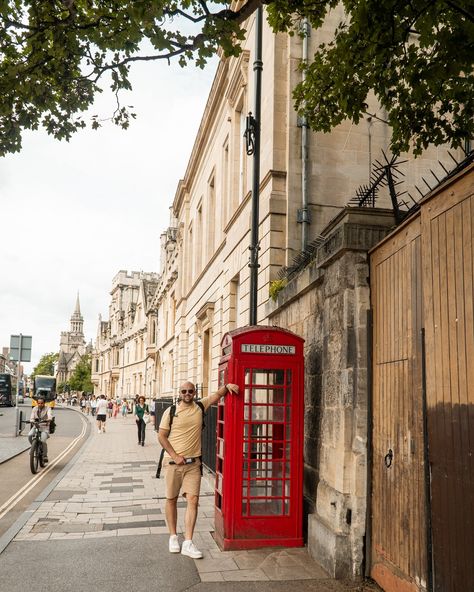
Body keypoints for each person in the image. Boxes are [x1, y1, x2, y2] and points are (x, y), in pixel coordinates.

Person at [158, 381, 239, 559]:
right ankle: (173, 536)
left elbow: (217, 395)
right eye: (184, 391)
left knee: (193, 500)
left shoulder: (200, 406)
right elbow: (161, 436)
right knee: (171, 499)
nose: (187, 393)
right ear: (179, 393)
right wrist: (174, 455)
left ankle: (188, 542)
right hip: (173, 463)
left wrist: (228, 387)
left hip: (193, 464)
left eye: (190, 391)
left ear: (194, 392)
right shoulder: (170, 412)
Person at [28, 398, 53, 463]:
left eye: (42, 403)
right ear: (37, 403)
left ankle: (45, 455)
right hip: (36, 425)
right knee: (30, 435)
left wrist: (49, 418)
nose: (40, 404)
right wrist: (32, 420)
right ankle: (33, 447)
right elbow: (32, 417)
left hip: (44, 426)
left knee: (43, 441)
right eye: (39, 403)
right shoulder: (34, 409)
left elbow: (50, 415)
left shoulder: (48, 408)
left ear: (44, 403)